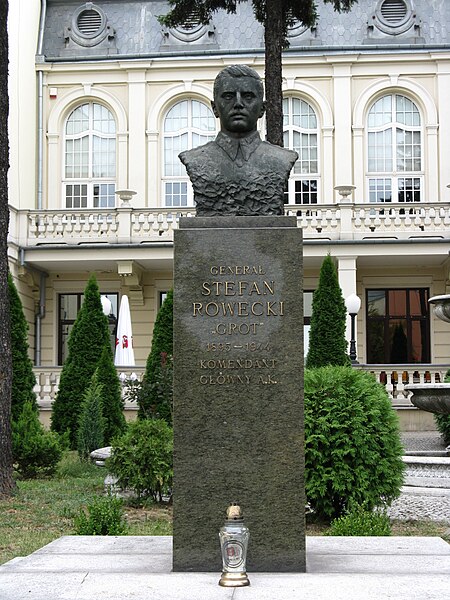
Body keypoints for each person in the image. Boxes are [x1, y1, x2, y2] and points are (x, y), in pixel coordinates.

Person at [179, 65, 298, 216]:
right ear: (215, 108)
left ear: (262, 108)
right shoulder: (195, 160)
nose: (238, 104)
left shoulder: (282, 159)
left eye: (248, 97)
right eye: (228, 96)